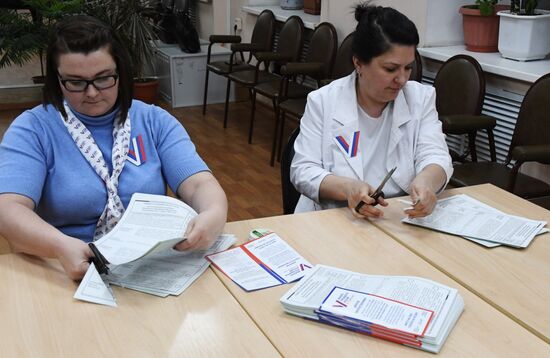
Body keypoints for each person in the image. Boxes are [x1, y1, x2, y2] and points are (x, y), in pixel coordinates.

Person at [0, 15, 227, 280]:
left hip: (147, 266)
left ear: (120, 72)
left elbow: (199, 184)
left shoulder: (154, 121)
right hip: (63, 268)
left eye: (104, 78)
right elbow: (8, 209)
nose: (92, 93)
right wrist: (58, 245)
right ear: (57, 80)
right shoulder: (33, 129)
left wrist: (214, 214)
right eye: (75, 82)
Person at [291, 3, 453, 219]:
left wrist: (427, 181)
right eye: (391, 69)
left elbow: (436, 155)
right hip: (336, 217)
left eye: (408, 67)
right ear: (358, 63)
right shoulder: (324, 101)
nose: (402, 79)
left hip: (397, 218)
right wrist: (348, 188)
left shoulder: (420, 99)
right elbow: (303, 169)